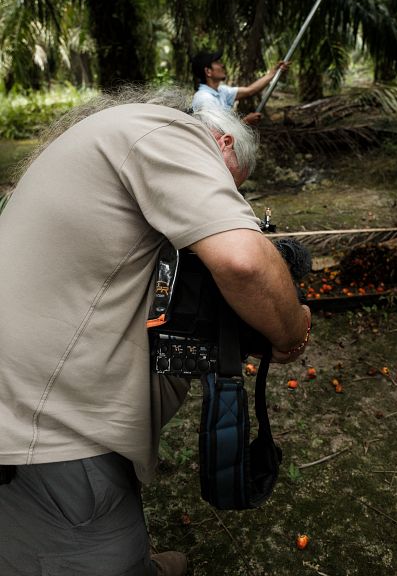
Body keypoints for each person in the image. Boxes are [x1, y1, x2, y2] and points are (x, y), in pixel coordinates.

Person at [0, 85, 311, 576]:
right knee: (90, 548)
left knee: (24, 539)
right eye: (233, 187)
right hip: (47, 425)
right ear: (223, 145)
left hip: (16, 396)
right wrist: (293, 329)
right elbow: (244, 262)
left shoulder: (116, 132)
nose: (230, 198)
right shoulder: (175, 133)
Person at [191, 49, 288, 125]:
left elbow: (251, 90)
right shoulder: (205, 99)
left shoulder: (221, 91)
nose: (222, 65)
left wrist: (273, 72)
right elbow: (216, 133)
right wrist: (245, 122)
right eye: (217, 62)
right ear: (208, 71)